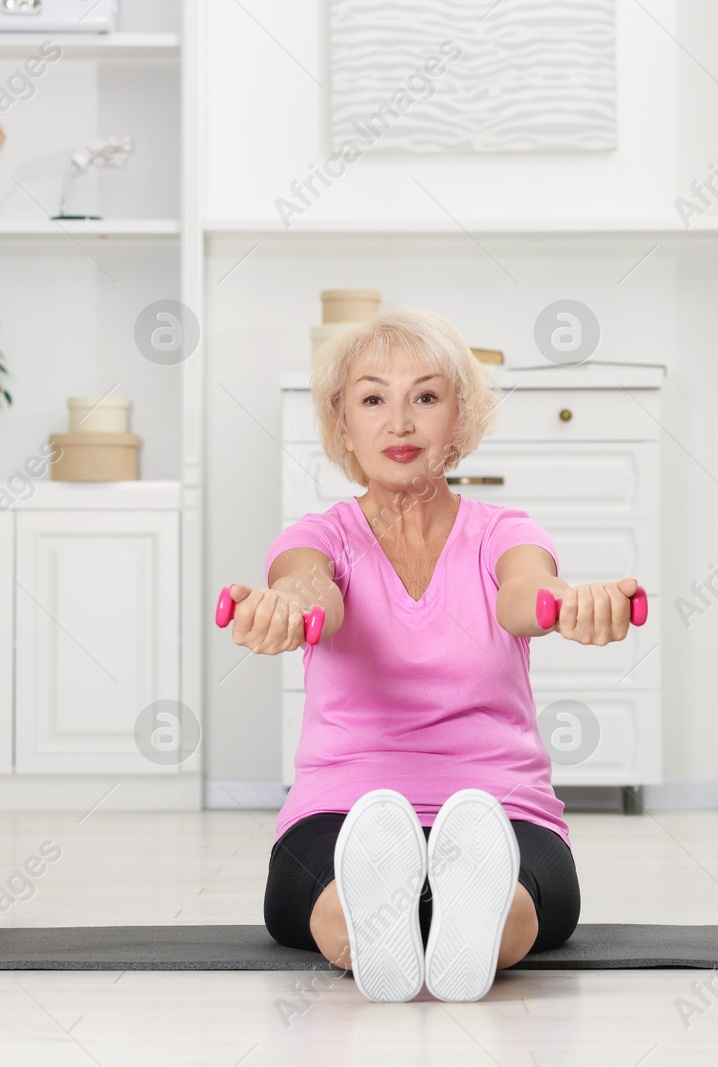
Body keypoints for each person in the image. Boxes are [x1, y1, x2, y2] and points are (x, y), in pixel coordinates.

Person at [221, 307, 641, 1003]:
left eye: (425, 396)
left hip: (500, 809)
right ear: (343, 423)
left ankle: (459, 925)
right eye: (373, 398)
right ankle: (385, 928)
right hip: (343, 810)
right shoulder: (318, 535)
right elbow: (310, 587)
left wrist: (564, 605)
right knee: (321, 892)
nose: (400, 421)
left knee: (527, 897)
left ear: (460, 417)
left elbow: (523, 592)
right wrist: (288, 608)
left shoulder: (505, 531)